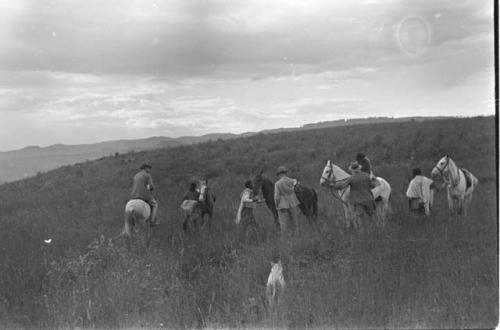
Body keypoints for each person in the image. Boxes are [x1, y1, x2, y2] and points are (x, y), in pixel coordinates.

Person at [274, 166, 301, 232]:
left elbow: (276, 197)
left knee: (283, 223)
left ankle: (285, 239)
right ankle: (296, 237)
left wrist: (276, 205)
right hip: (292, 202)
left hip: (282, 204)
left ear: (279, 174)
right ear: (285, 173)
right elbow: (297, 186)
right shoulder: (292, 181)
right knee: (295, 222)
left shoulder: (277, 184)